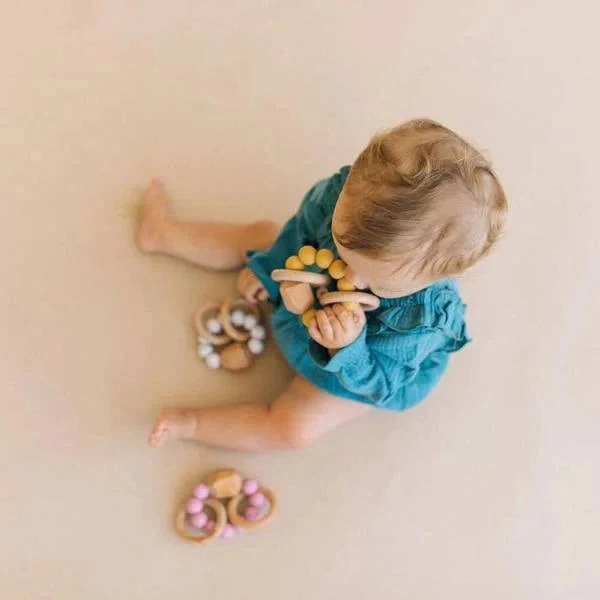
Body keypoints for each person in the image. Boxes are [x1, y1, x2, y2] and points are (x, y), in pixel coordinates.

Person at [137, 118, 507, 452]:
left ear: (435, 278)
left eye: (377, 283)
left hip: (352, 369)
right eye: (343, 251)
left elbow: (381, 382)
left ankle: (191, 424)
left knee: (293, 428)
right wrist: (271, 266)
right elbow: (300, 229)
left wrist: (346, 346)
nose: (351, 279)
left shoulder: (421, 321)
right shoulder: (341, 199)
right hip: (301, 289)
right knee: (263, 234)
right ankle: (163, 234)